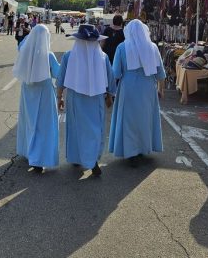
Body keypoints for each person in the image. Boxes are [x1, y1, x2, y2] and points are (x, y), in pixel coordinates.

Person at [56, 24, 115, 176]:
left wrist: (59, 97)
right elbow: (110, 79)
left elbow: (61, 79)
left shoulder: (69, 56)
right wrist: (110, 97)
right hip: (96, 99)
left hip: (75, 98)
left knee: (76, 128)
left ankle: (77, 157)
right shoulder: (103, 57)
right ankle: (92, 159)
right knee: (95, 129)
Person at [109, 19, 166, 166]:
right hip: (147, 88)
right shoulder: (152, 47)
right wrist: (161, 89)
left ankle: (131, 152)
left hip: (128, 88)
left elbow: (115, 73)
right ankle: (142, 148)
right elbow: (160, 73)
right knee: (145, 119)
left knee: (129, 120)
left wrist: (110, 92)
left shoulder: (122, 47)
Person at [13, 24, 61, 173]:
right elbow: (58, 74)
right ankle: (39, 158)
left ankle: (28, 151)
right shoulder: (49, 55)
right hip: (45, 92)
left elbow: (21, 47)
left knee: (29, 122)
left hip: (28, 91)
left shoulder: (25, 51)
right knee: (44, 125)